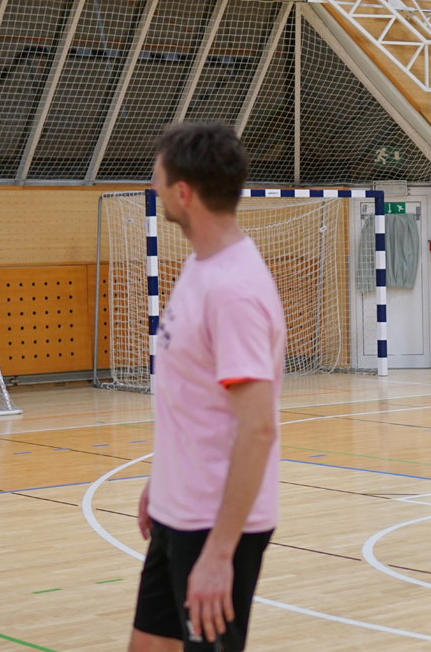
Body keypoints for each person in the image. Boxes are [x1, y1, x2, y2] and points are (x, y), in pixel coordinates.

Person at [129, 122, 285, 652]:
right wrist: (162, 481)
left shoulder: (234, 291)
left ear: (183, 193)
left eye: (157, 177)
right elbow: (193, 401)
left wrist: (220, 553)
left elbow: (258, 429)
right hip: (179, 509)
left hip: (214, 526)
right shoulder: (202, 265)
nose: (152, 187)